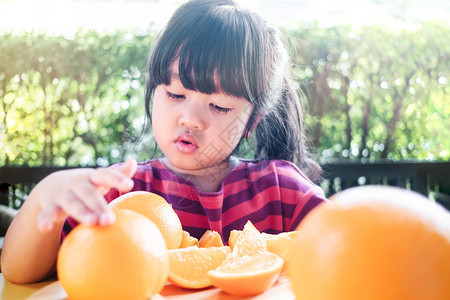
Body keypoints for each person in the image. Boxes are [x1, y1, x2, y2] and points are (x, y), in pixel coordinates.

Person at [1, 0, 327, 284]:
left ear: (253, 120)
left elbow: (347, 250)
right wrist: (46, 199)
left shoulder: (282, 191)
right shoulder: (120, 193)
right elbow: (21, 273)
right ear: (153, 92)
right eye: (175, 94)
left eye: (220, 106)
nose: (191, 119)